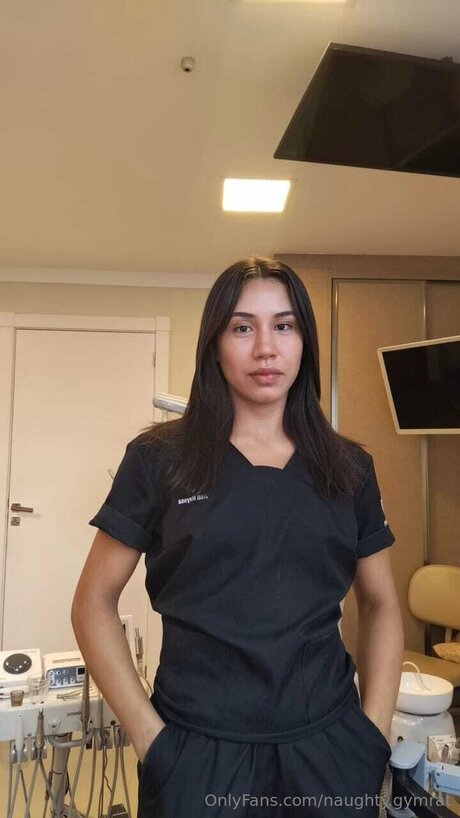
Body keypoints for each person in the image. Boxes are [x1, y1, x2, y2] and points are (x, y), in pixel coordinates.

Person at [71, 256, 404, 818]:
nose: (266, 349)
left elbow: (380, 603)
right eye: (243, 327)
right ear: (215, 344)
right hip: (196, 753)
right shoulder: (159, 460)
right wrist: (153, 742)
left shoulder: (348, 468)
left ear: (304, 342)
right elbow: (92, 603)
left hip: (330, 749)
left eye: (285, 325)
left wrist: (371, 734)